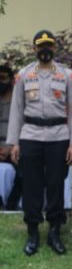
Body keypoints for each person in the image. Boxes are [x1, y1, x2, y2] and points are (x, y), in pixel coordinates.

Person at [6, 30, 72, 256]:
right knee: (31, 185)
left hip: (58, 136)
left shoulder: (66, 75)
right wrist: (14, 143)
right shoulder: (24, 75)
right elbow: (16, 110)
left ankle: (54, 232)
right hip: (30, 135)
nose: (45, 50)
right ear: (34, 49)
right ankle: (32, 232)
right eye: (41, 46)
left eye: (48, 46)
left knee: (55, 185)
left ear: (54, 48)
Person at [0, 63, 16, 208]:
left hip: (15, 150)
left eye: (3, 78)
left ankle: (11, 206)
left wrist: (10, 149)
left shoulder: (19, 103)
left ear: (11, 80)